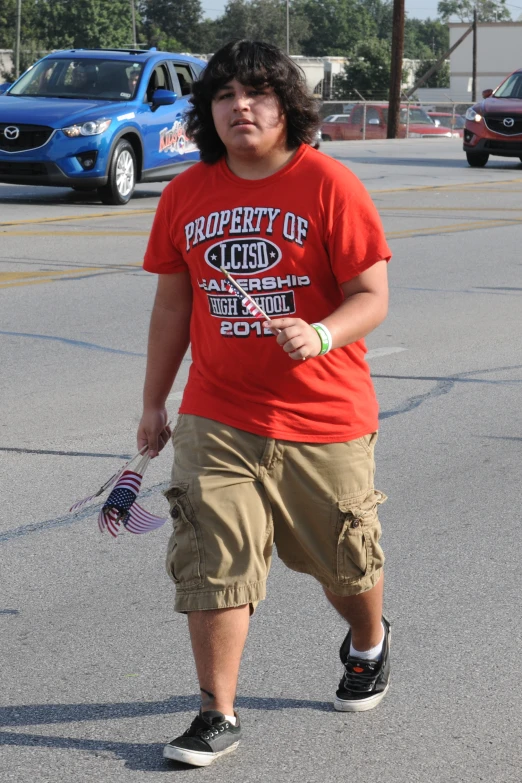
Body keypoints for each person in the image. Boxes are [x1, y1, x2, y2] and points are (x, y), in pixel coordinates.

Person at [138, 39, 392, 768]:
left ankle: (368, 642)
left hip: (324, 415)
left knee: (344, 561)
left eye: (257, 93)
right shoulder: (187, 195)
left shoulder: (328, 185)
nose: (240, 106)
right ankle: (216, 713)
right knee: (212, 556)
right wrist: (154, 403)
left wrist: (319, 333)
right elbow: (171, 308)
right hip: (217, 414)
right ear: (206, 112)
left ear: (287, 108)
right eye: (224, 96)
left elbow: (371, 296)